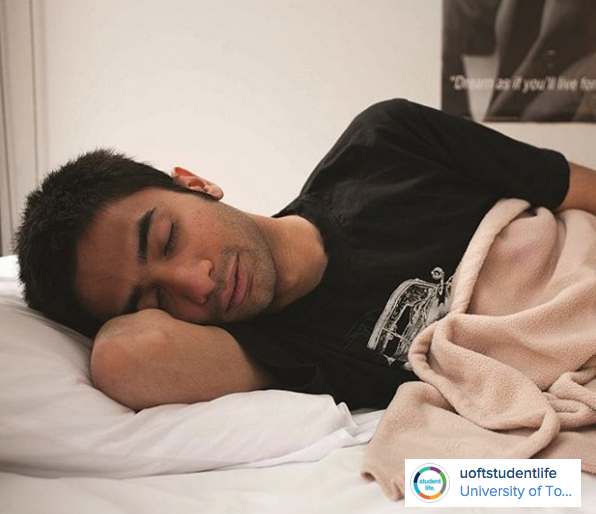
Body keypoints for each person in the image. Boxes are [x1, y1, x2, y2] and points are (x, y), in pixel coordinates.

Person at [14, 99, 596, 411]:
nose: (197, 283)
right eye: (153, 299)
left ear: (195, 183)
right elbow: (125, 360)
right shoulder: (276, 351)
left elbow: (578, 189)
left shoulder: (386, 143)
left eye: (167, 238)